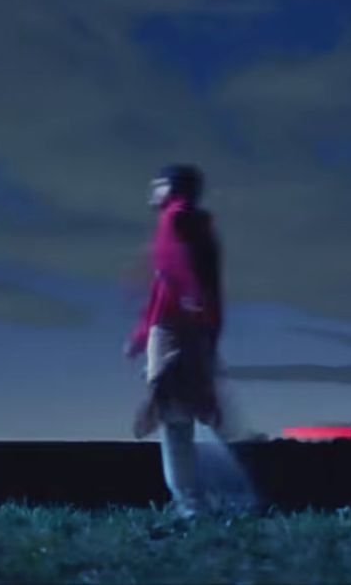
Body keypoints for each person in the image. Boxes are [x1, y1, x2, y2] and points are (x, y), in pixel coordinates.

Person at [125, 163, 224, 517]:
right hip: (190, 328)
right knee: (187, 409)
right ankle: (195, 498)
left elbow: (176, 275)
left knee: (174, 416)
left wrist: (184, 305)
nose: (152, 193)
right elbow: (167, 283)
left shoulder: (175, 219)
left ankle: (190, 503)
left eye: (158, 185)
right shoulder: (195, 224)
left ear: (174, 189)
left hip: (174, 328)